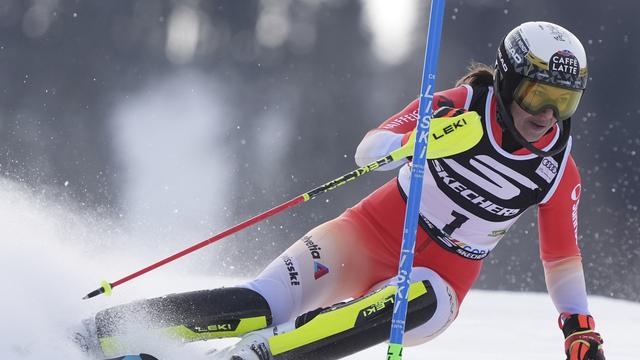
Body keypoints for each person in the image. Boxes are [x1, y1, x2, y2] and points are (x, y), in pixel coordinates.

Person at [77, 21, 605, 360]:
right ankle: (102, 333)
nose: (547, 117)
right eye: (539, 96)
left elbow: (562, 257)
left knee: (407, 303)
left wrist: (578, 329)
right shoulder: (456, 106)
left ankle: (253, 357)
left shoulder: (557, 169)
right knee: (261, 304)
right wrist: (417, 141)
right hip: (368, 232)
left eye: (564, 102)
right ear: (511, 81)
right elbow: (370, 149)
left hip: (441, 281)